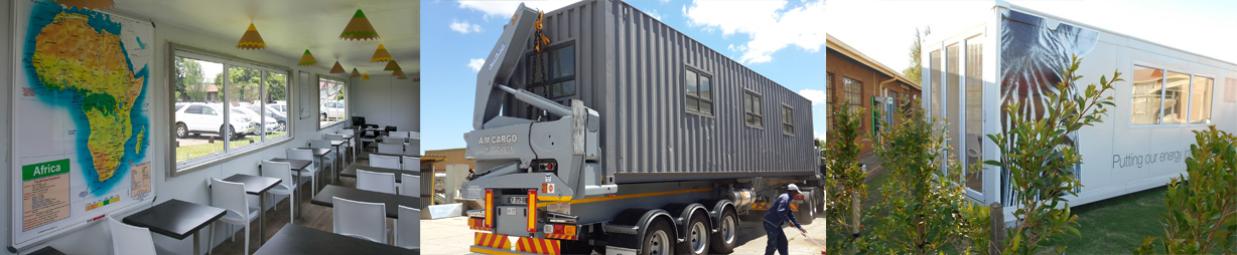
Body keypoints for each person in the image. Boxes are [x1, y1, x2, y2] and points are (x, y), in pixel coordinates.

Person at [764, 183, 807, 255]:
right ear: (792, 191)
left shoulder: (788, 199)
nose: (796, 194)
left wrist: (799, 227)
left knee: (783, 243)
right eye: (796, 192)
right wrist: (788, 221)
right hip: (770, 223)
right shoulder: (785, 198)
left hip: (776, 225)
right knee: (773, 245)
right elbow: (780, 211)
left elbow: (790, 214)